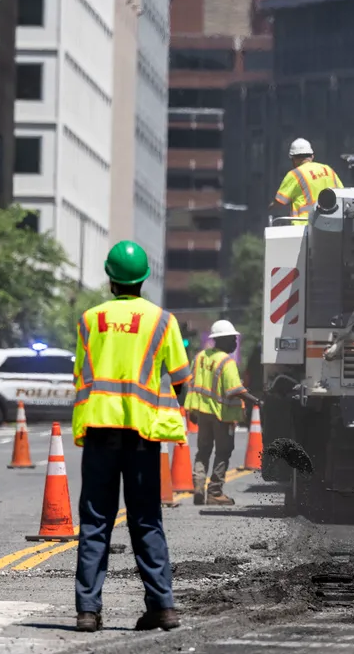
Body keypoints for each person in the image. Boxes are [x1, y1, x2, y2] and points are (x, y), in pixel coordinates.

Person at [71, 241, 192, 633]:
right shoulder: (161, 321)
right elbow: (181, 380)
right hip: (142, 436)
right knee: (146, 520)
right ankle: (164, 607)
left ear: (110, 278)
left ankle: (88, 611)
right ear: (143, 279)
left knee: (95, 522)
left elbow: (81, 375)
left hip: (100, 431)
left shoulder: (89, 320)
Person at [184, 319, 261, 506]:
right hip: (221, 415)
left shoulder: (200, 356)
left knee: (203, 451)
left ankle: (198, 487)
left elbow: (192, 383)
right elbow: (235, 389)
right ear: (223, 340)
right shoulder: (226, 362)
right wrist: (257, 401)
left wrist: (192, 409)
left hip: (201, 412)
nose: (235, 343)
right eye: (232, 339)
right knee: (223, 451)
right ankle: (215, 492)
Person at [271, 138, 343, 226]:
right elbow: (342, 193)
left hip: (304, 225)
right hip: (332, 225)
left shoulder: (295, 174)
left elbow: (280, 202)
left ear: (293, 158)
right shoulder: (328, 170)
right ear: (312, 156)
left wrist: (270, 207)